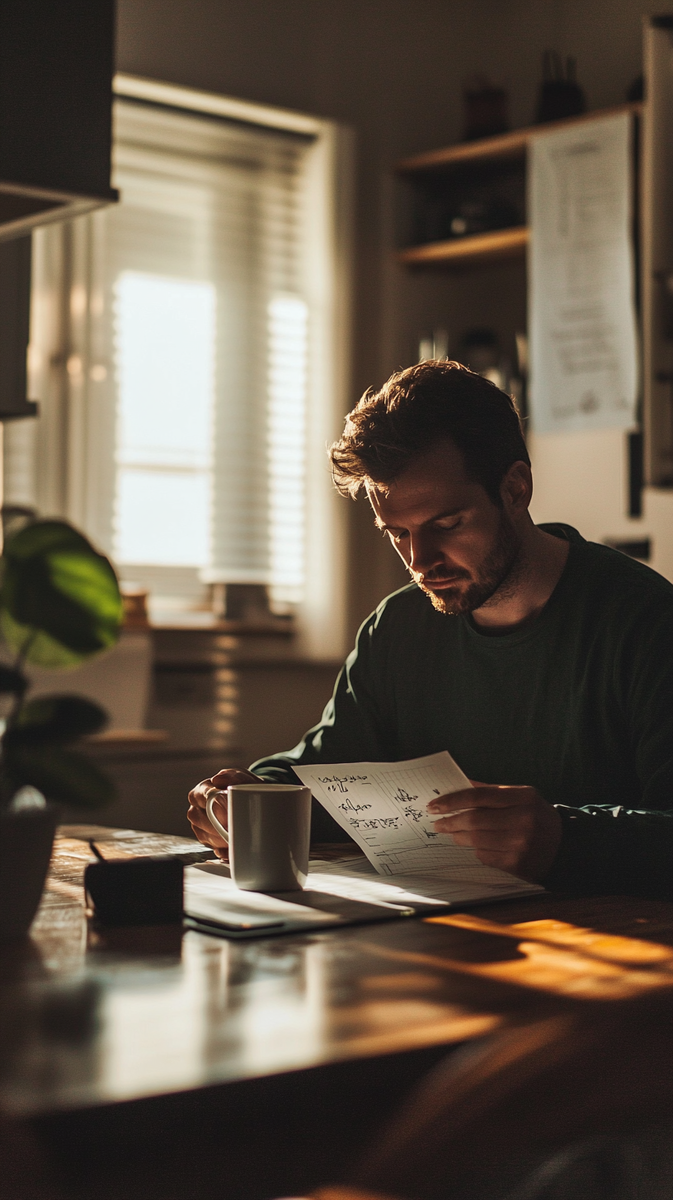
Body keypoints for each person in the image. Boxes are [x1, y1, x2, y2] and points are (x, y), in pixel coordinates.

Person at [188, 361, 673, 899]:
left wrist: (565, 838)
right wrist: (246, 796)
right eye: (397, 533)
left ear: (515, 489)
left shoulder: (647, 624)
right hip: (438, 943)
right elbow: (326, 774)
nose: (421, 561)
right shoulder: (397, 629)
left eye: (446, 526)